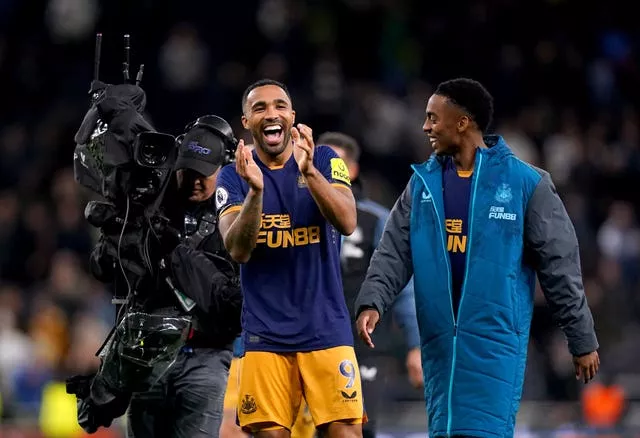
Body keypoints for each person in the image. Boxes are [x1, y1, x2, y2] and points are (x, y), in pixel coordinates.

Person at [354, 78, 600, 438]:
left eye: (433, 118)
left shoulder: (525, 183)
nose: (425, 127)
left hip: (494, 342)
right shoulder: (422, 184)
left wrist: (582, 338)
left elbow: (560, 268)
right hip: (439, 345)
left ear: (462, 122)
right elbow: (393, 251)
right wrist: (372, 301)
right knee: (446, 430)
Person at [215, 78, 365, 438]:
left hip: (326, 329)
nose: (272, 113)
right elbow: (237, 248)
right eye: (260, 108)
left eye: (280, 106)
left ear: (292, 116)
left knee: (345, 433)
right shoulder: (232, 175)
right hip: (265, 336)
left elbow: (346, 221)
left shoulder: (325, 160)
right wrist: (255, 191)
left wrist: (310, 171)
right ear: (247, 122)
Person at [126, 115, 243, 438]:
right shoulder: (153, 204)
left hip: (206, 353)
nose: (194, 180)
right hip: (148, 349)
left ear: (225, 167)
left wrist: (173, 251)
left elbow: (229, 301)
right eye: (187, 170)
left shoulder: (239, 216)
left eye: (204, 173)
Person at [317, 131, 422, 438]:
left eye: (334, 163)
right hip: (309, 343)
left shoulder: (377, 220)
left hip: (362, 347)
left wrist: (416, 346)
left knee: (359, 428)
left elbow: (403, 286)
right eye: (319, 162)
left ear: (352, 170)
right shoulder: (299, 216)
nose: (327, 171)